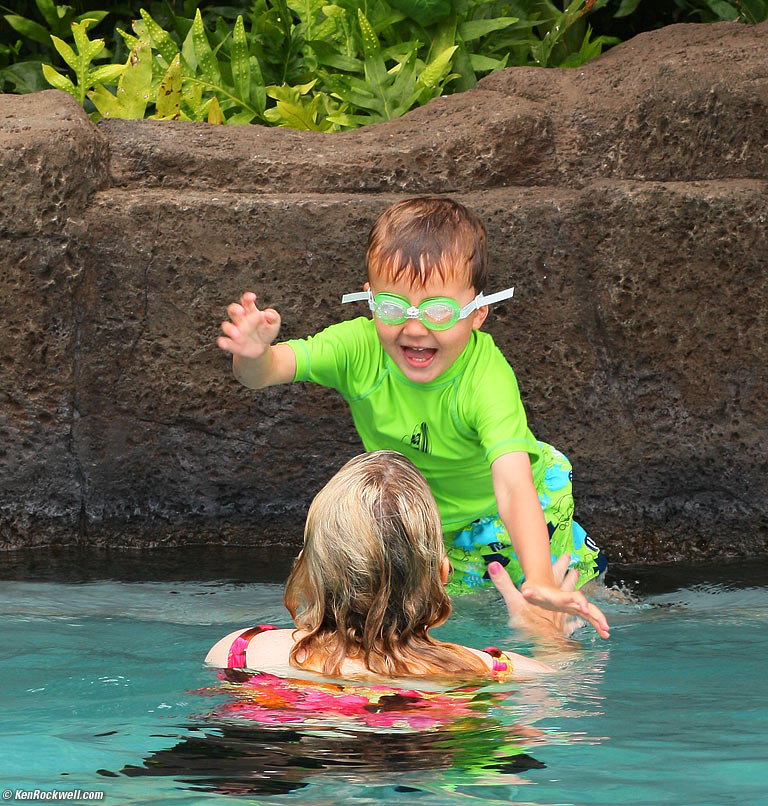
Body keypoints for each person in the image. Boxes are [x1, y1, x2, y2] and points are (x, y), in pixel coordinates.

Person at [217, 197, 609, 638]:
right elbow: (266, 371)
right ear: (370, 300)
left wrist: (538, 578)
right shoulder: (358, 349)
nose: (416, 328)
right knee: (437, 623)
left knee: (551, 620)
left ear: (477, 313)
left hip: (512, 513)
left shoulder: (485, 378)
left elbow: (513, 485)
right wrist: (253, 354)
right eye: (392, 307)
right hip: (427, 525)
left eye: (438, 311)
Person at [206, 450, 567, 680]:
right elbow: (558, 695)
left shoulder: (240, 653)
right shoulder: (497, 672)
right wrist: (549, 637)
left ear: (308, 573)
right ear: (443, 573)